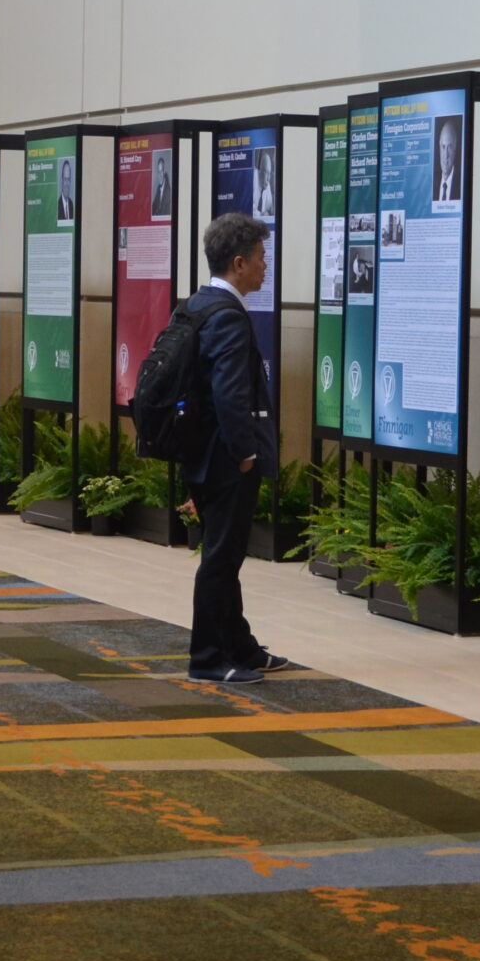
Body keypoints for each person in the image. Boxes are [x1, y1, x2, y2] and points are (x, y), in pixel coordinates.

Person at [179, 213, 292, 684]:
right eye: (262, 259)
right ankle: (208, 659)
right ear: (239, 262)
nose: (267, 268)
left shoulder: (196, 304)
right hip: (226, 459)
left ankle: (241, 648)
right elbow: (230, 394)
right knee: (220, 560)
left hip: (202, 452)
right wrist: (245, 454)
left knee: (224, 556)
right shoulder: (227, 317)